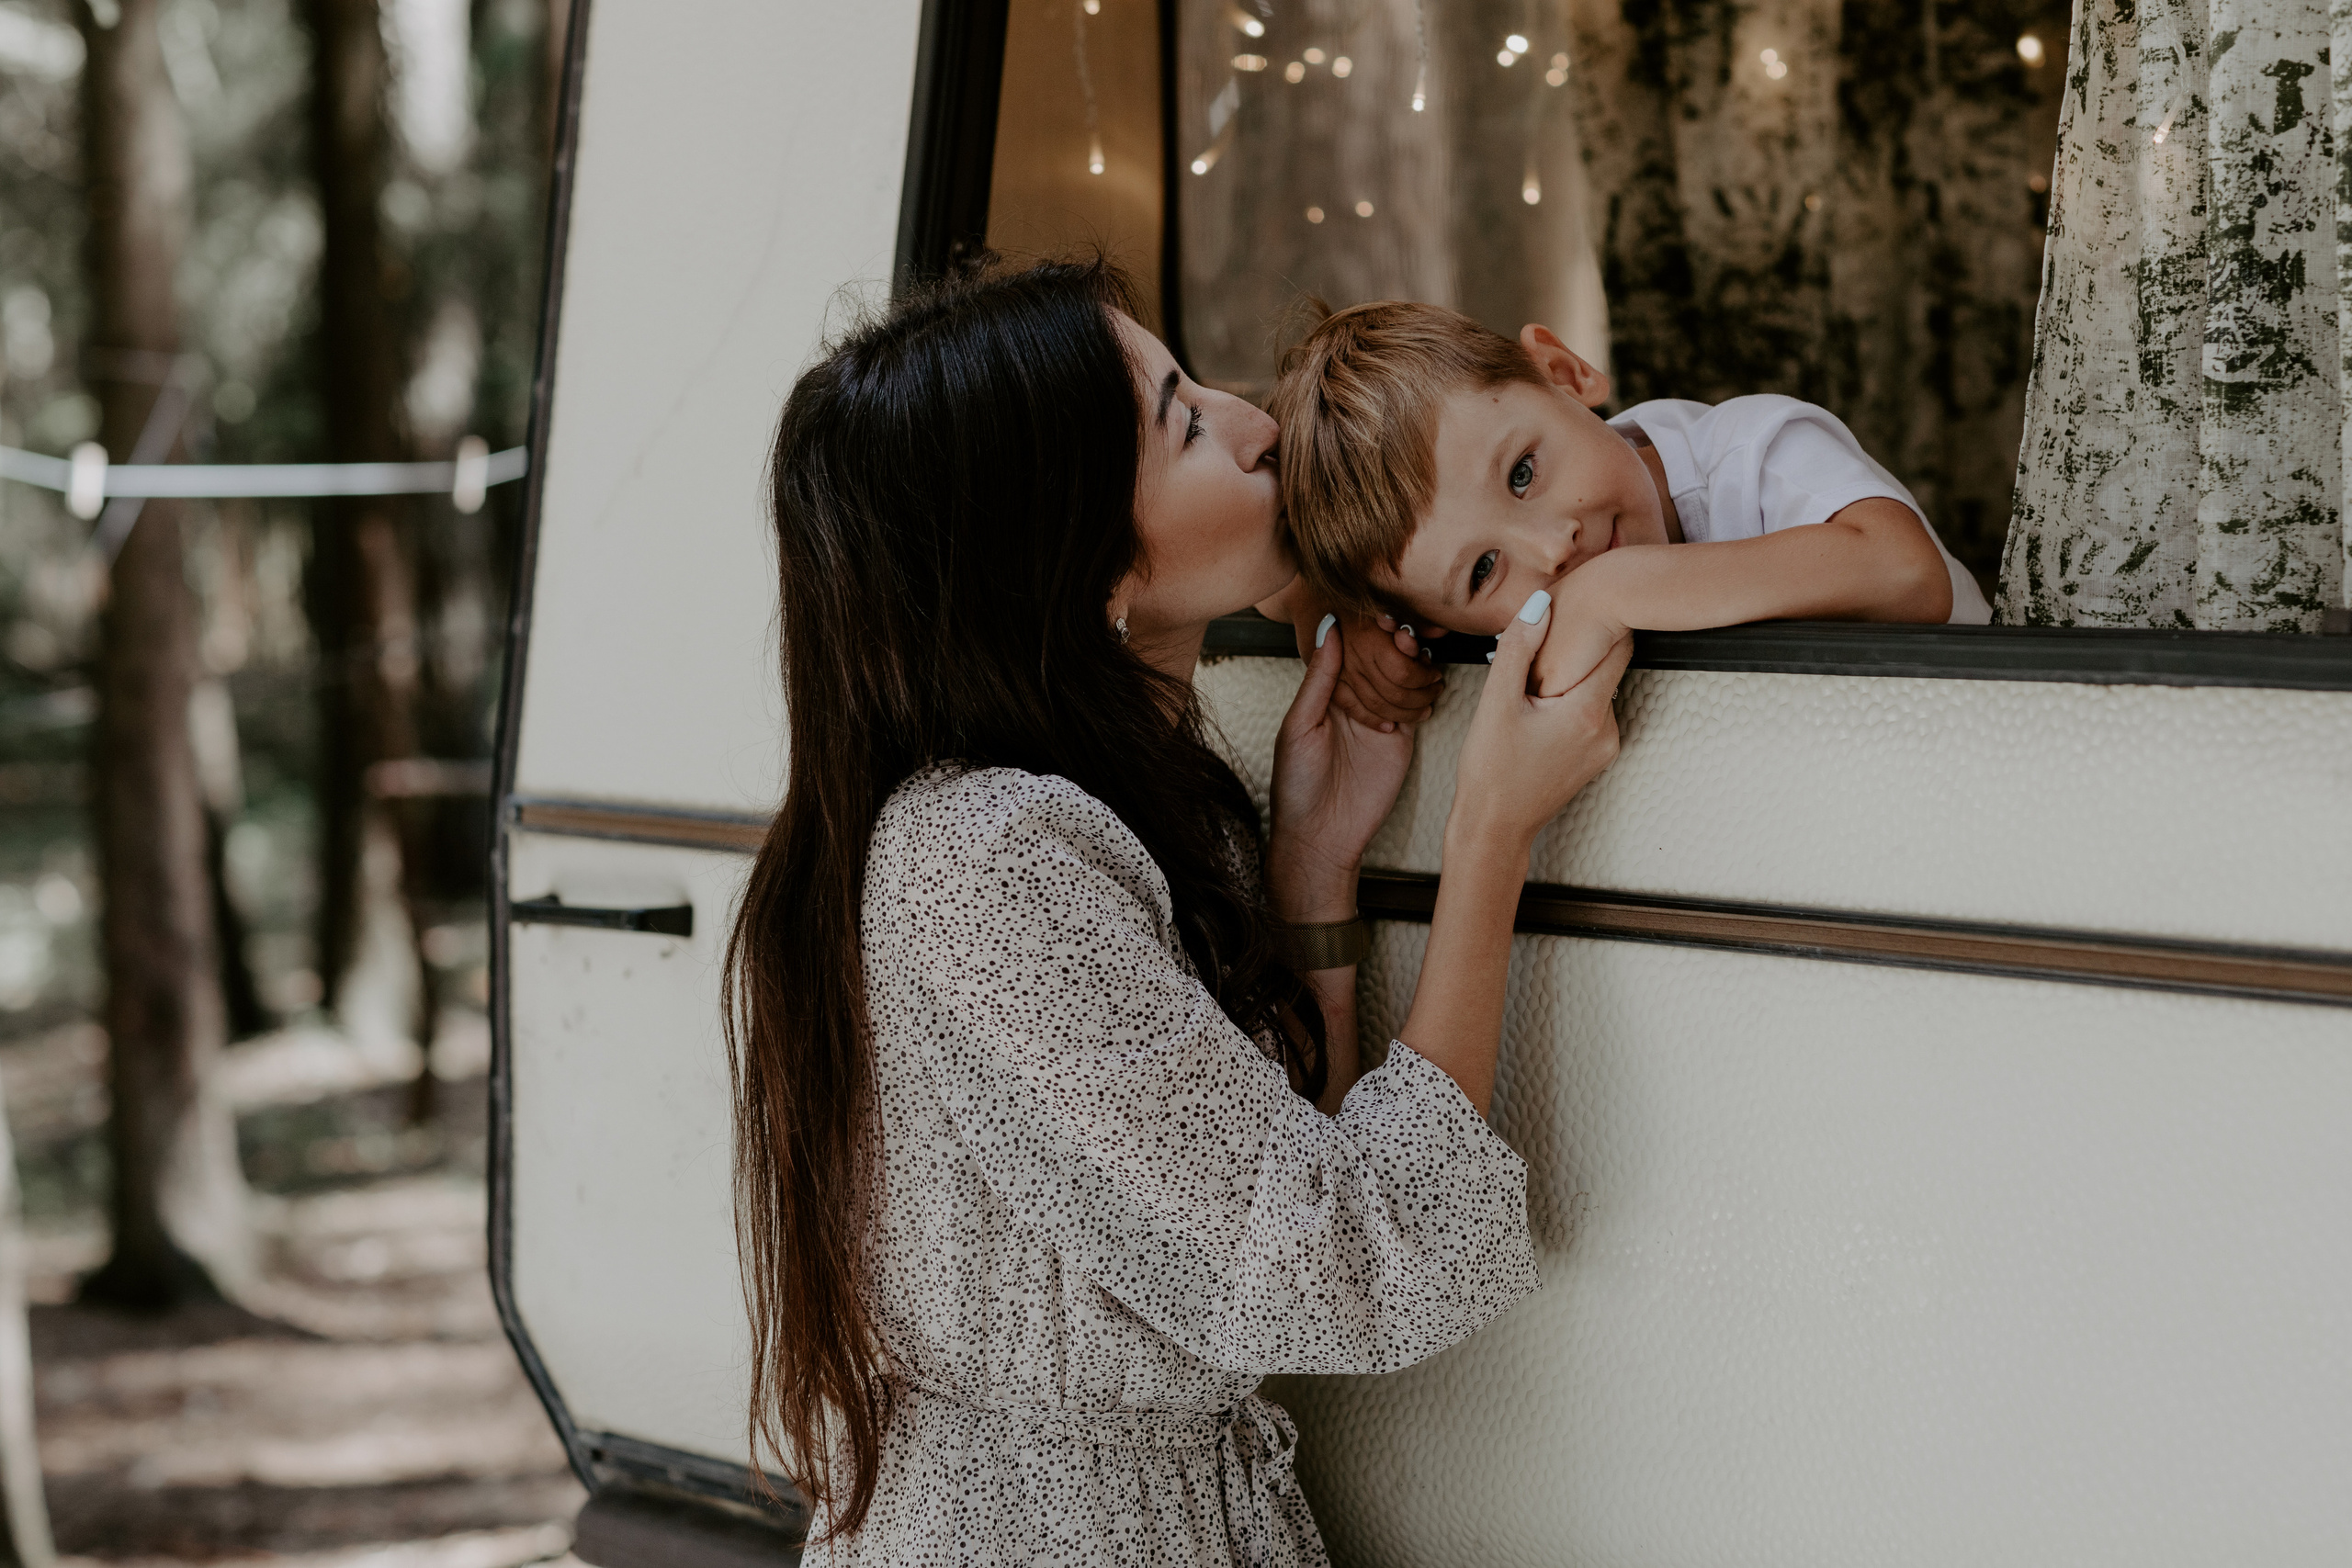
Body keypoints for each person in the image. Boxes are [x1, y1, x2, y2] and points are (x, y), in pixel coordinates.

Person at [723, 257, 1632, 1566]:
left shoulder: (1132, 806)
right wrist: (1493, 824)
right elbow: (1348, 1263)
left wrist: (1312, 873)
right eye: (1187, 423)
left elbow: (1262, 1198)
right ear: (1086, 561)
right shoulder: (986, 862)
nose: (1257, 422)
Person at [1263, 299, 1993, 708]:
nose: (1552, 551)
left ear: (1564, 372)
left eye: (1522, 474)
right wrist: (1332, 616)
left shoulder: (1750, 452)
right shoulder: (1473, 611)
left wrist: (1616, 590)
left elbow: (1905, 574)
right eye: (1484, 568)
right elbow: (1272, 576)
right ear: (1430, 620)